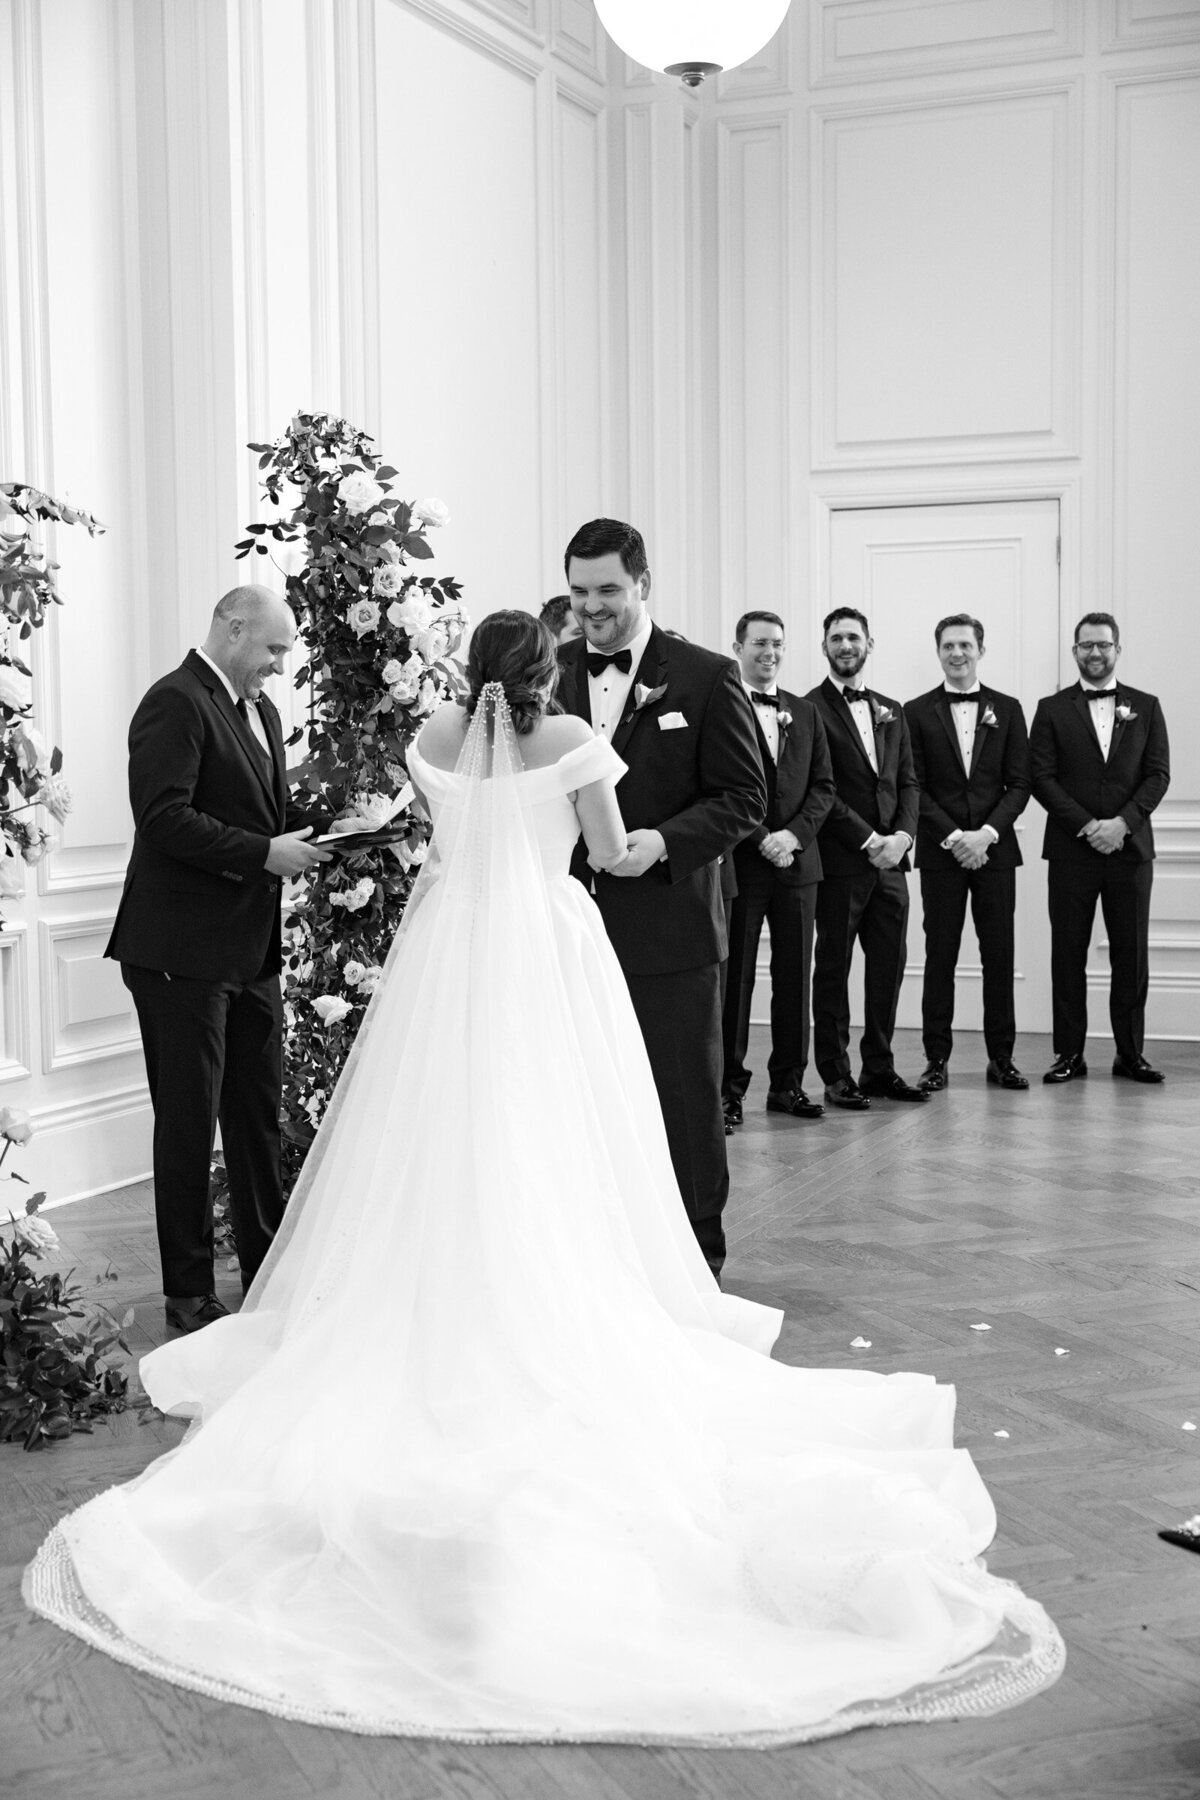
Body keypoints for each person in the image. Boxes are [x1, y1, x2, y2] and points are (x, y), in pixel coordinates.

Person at [26, 610, 1064, 1744]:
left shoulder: (430, 737)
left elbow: (442, 833)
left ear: (472, 675)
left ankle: (437, 1287)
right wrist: (627, 851)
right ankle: (550, 1286)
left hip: (449, 952)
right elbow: (612, 848)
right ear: (543, 671)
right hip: (545, 948)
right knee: (557, 1132)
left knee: (444, 1124)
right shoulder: (571, 733)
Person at [105, 586, 330, 1332]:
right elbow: (164, 818)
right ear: (232, 630)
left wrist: (329, 829)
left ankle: (265, 1265)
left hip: (249, 949)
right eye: (271, 648)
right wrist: (265, 853)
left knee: (254, 1115)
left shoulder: (261, 711)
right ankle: (187, 1291)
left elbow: (259, 814)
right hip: (178, 952)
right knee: (188, 1121)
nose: (279, 665)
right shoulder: (175, 701)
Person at [556, 519, 766, 1276]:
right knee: (585, 1097)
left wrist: (664, 844)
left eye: (608, 590)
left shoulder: (708, 675)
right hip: (571, 929)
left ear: (644, 584)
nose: (592, 608)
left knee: (682, 1096)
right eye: (579, 592)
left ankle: (696, 1260)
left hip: (672, 930)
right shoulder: (551, 674)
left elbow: (745, 796)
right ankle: (604, 1257)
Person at [1030, 612, 1171, 1084]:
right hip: (1072, 851)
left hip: (1130, 853)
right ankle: (1069, 1054)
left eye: (1103, 645)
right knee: (1067, 955)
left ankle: (1130, 1054)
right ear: (1074, 652)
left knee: (1130, 957)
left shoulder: (1146, 707)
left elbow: (1158, 775)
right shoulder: (1051, 709)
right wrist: (1090, 826)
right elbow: (1041, 778)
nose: (1095, 653)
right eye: (1086, 646)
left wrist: (1122, 825)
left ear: (1117, 650)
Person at [904, 615, 1031, 1092]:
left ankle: (1002, 1058)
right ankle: (936, 1059)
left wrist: (987, 835)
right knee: (941, 955)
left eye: (965, 645)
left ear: (981, 649)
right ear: (938, 651)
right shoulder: (915, 711)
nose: (957, 653)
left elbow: (1021, 783)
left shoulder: (1010, 708)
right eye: (948, 646)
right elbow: (914, 784)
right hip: (943, 853)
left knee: (999, 955)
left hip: (995, 853)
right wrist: (957, 836)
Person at [806, 610, 926, 1109]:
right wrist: (867, 839)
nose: (845, 644)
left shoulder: (891, 709)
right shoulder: (809, 708)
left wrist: (901, 837)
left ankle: (880, 1067)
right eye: (836, 638)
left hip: (892, 865)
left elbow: (908, 783)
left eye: (853, 636)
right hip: (842, 861)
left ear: (869, 644)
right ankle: (836, 1074)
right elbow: (821, 790)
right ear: (825, 647)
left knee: (887, 967)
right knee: (833, 968)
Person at [722, 610, 834, 1125]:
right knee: (736, 979)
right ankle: (728, 1088)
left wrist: (794, 836)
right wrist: (763, 838)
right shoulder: (719, 706)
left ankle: (788, 1085)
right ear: (739, 646)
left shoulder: (806, 712)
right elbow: (718, 786)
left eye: (779, 644)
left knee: (795, 980)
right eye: (760, 643)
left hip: (799, 863)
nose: (770, 653)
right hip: (744, 861)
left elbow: (824, 787)